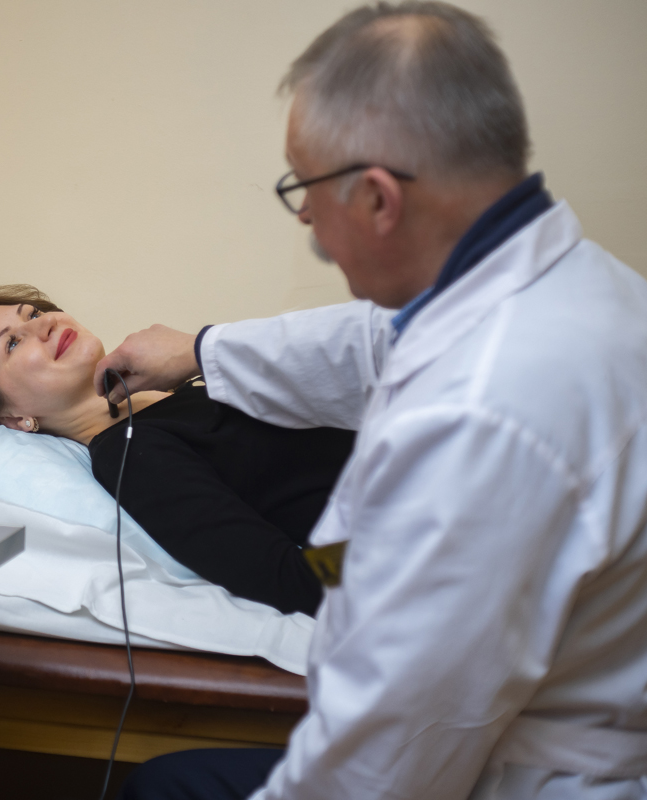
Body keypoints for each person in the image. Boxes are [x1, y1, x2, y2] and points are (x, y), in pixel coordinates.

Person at [94, 2, 647, 799]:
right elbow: (369, 343)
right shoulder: (579, 286)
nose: (304, 216)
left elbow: (382, 758)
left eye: (303, 187)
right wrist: (202, 349)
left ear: (380, 200)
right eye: (11, 341)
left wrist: (357, 558)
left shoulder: (478, 413)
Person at [0, 284, 356, 616]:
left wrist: (199, 351)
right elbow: (291, 581)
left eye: (33, 313)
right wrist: (388, 555)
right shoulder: (130, 452)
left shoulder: (181, 384)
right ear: (15, 419)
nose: (42, 323)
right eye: (12, 343)